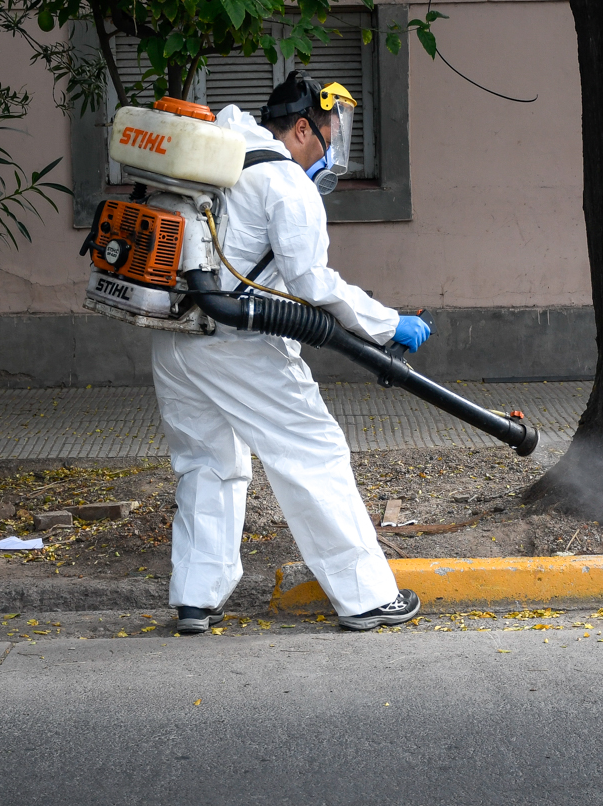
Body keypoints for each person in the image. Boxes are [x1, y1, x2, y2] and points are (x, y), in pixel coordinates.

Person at [151, 70, 432, 634]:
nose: (331, 150)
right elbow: (312, 282)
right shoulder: (284, 181)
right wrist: (387, 324)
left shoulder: (219, 159)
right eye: (329, 135)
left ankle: (195, 599)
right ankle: (367, 598)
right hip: (236, 344)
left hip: (173, 337)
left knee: (207, 462)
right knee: (314, 454)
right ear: (302, 128)